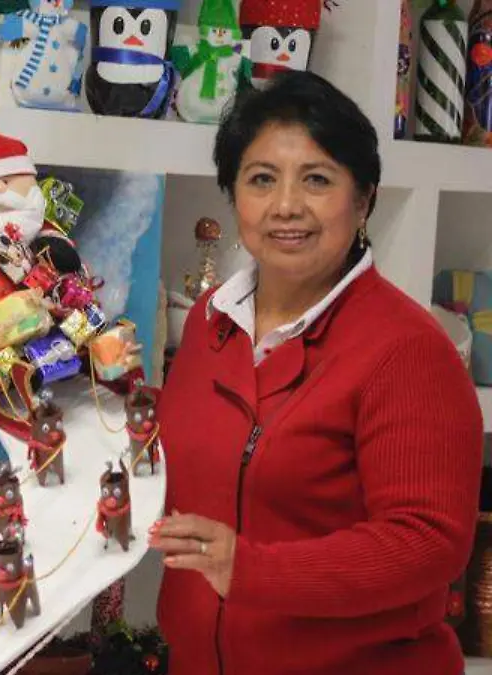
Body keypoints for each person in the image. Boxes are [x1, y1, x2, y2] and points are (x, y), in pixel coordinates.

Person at [148, 70, 483, 675]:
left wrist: (250, 570)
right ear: (233, 193)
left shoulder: (407, 351)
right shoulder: (209, 320)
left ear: (364, 200)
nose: (286, 206)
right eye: (261, 179)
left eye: (317, 180)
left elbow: (427, 542)